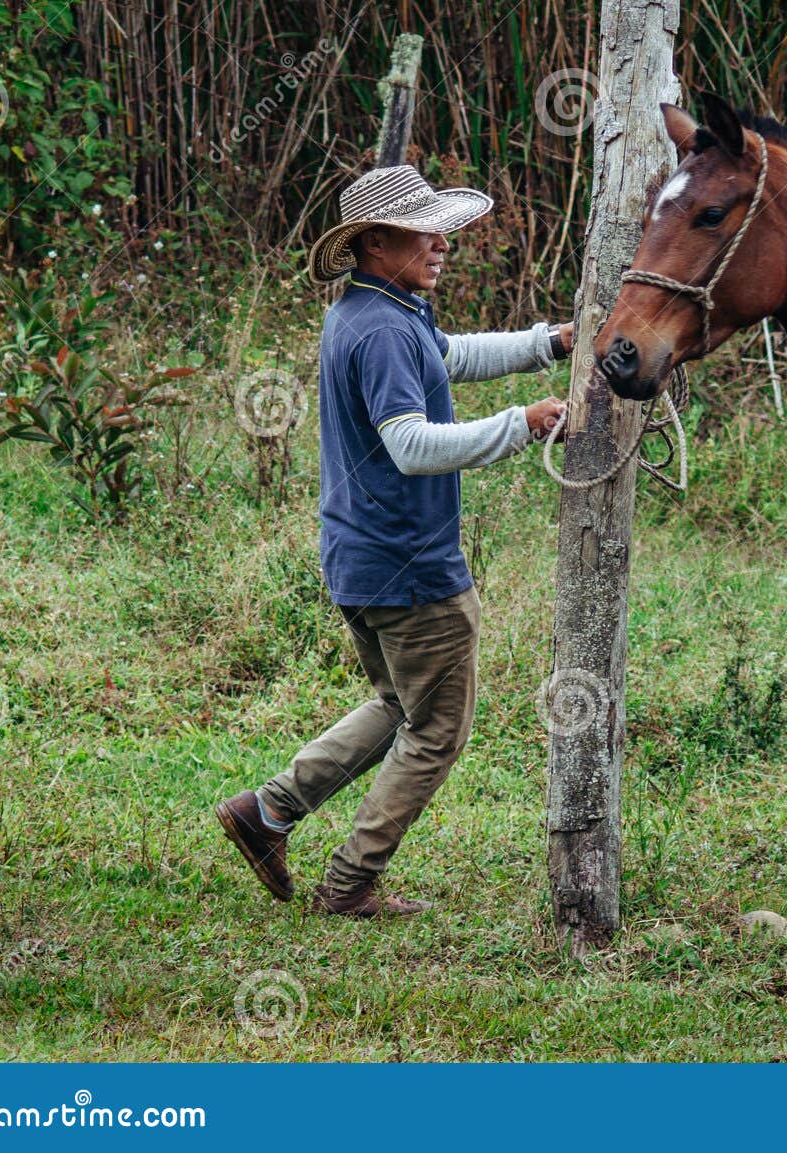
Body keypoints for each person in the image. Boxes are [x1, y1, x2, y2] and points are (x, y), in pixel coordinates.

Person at [214, 164, 571, 918]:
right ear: (375, 241)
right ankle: (350, 884)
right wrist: (522, 425)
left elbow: (449, 358)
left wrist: (549, 343)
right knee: (437, 730)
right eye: (424, 230)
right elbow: (410, 444)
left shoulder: (375, 310)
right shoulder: (381, 328)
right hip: (412, 570)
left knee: (398, 701)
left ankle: (268, 810)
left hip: (360, 558)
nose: (443, 242)